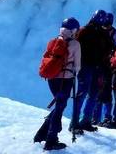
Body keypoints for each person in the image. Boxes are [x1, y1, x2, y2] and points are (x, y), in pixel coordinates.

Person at [33, 17, 81, 151]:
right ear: (73, 30)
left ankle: (42, 134)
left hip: (52, 79)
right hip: (66, 80)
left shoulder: (53, 41)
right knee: (60, 107)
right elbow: (77, 66)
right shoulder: (75, 44)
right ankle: (51, 140)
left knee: (59, 105)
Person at [70, 10, 109, 134]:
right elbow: (109, 50)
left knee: (84, 94)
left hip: (86, 67)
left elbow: (75, 46)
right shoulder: (102, 33)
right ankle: (81, 122)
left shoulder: (84, 31)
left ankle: (78, 122)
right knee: (91, 95)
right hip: (93, 68)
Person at [93, 12, 116, 126]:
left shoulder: (97, 32)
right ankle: (105, 117)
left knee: (98, 92)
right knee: (104, 93)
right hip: (108, 67)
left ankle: (95, 117)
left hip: (102, 67)